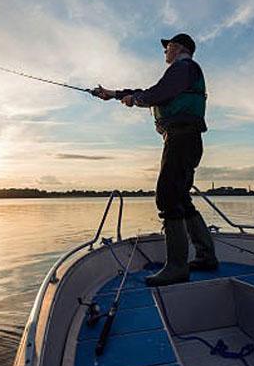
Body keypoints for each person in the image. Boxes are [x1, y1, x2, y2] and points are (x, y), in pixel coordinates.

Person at [93, 33, 218, 287]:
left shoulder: (183, 67)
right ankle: (206, 257)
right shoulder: (184, 71)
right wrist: (115, 94)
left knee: (167, 196)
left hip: (181, 138)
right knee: (181, 197)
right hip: (186, 139)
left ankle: (177, 267)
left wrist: (135, 99)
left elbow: (156, 93)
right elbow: (153, 92)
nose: (164, 52)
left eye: (167, 47)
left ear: (178, 47)